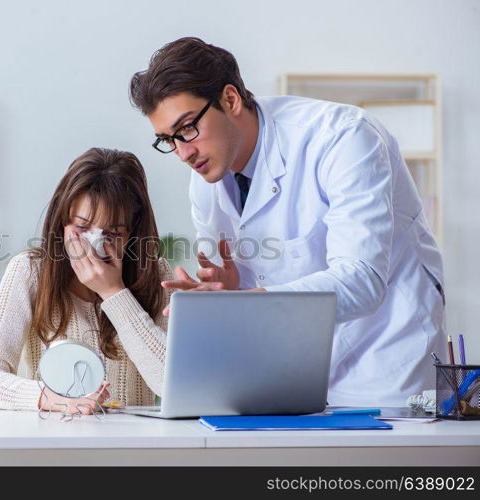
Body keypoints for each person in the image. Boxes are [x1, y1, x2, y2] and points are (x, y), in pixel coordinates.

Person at [129, 37, 445, 406]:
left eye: (187, 129)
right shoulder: (205, 185)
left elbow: (362, 280)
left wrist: (245, 304)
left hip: (384, 358)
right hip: (289, 368)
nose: (183, 152)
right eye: (168, 140)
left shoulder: (342, 137)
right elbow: (246, 292)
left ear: (229, 100)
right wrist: (224, 294)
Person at [0, 148, 173, 414]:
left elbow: (169, 383)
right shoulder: (30, 272)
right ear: (62, 221)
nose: (95, 243)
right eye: (82, 228)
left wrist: (114, 293)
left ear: (132, 233)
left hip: (134, 446)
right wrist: (51, 398)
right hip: (56, 443)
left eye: (113, 233)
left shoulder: (156, 274)